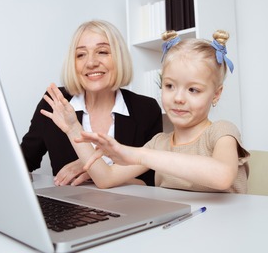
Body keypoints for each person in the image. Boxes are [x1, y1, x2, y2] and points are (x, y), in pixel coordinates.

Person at [42, 29, 250, 193]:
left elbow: (222, 176)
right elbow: (105, 179)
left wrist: (140, 155)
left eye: (193, 90)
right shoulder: (158, 143)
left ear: (216, 94)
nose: (178, 98)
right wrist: (73, 128)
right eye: (169, 86)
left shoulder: (222, 132)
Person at [21, 20, 162, 186]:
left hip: (127, 207)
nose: (91, 62)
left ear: (119, 57)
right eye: (81, 55)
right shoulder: (56, 102)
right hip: (71, 208)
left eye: (102, 52)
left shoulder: (146, 109)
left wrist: (95, 170)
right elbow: (23, 163)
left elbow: (152, 181)